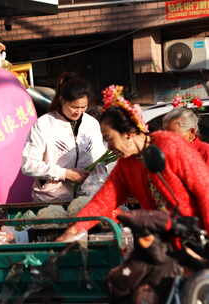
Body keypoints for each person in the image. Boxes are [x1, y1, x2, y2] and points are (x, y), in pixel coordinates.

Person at [57, 85, 209, 304]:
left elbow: (204, 190)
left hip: (194, 243)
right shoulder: (127, 165)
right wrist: (73, 230)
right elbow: (103, 201)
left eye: (109, 138)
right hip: (162, 247)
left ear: (128, 134)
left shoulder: (170, 145)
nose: (108, 146)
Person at [21, 73, 106, 202]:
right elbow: (28, 165)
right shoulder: (44, 124)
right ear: (62, 100)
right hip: (51, 199)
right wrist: (65, 174)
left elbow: (100, 160)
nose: (78, 112)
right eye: (74, 107)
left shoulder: (92, 124)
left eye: (83, 107)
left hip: (86, 197)